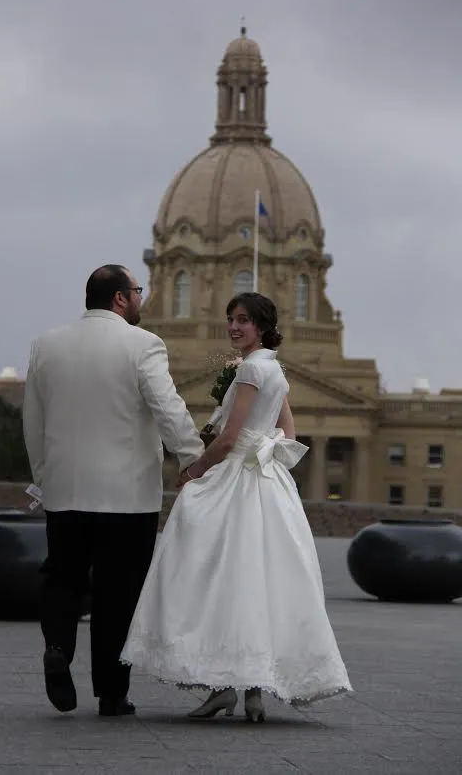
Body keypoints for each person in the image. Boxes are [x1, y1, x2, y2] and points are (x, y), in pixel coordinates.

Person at [121, 292, 352, 722]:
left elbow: (228, 439)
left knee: (218, 577)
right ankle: (253, 694)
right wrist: (260, 447)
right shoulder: (275, 369)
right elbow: (288, 431)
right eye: (230, 319)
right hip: (269, 485)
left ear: (262, 326)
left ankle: (225, 686)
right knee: (260, 582)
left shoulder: (248, 368)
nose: (233, 327)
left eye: (242, 320)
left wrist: (194, 471)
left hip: (238, 480)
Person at [23, 264, 203, 717]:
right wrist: (192, 458)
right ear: (121, 299)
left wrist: (45, 476)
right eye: (138, 291)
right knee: (117, 594)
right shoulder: (143, 344)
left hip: (66, 490)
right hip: (126, 496)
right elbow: (168, 408)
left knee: (62, 578)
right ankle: (111, 692)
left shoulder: (47, 345)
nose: (142, 299)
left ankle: (58, 648)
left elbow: (33, 422)